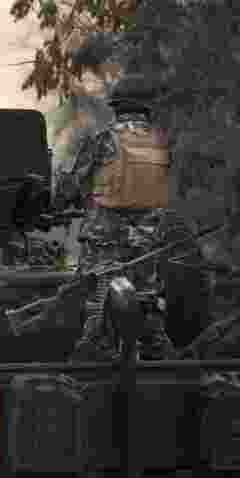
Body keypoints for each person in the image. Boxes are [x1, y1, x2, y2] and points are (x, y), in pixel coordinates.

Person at [56, 73, 176, 361]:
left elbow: (72, 189)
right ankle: (157, 351)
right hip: (146, 241)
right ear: (147, 108)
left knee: (97, 301)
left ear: (116, 107)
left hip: (104, 240)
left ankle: (91, 354)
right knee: (147, 299)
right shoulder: (161, 142)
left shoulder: (102, 139)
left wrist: (63, 189)